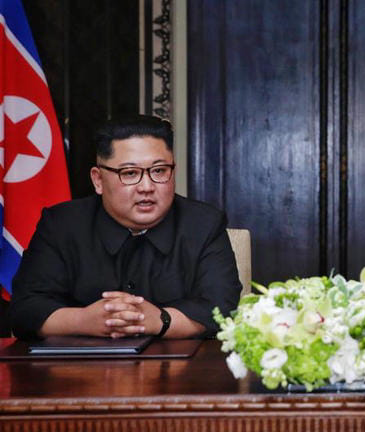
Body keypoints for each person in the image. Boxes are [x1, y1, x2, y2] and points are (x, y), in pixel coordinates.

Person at [9, 115, 241, 340]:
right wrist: (83, 320)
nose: (147, 187)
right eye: (130, 173)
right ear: (98, 180)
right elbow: (25, 309)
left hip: (179, 364)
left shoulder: (204, 224)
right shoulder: (61, 224)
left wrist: (159, 320)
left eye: (159, 171)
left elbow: (222, 308)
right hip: (79, 364)